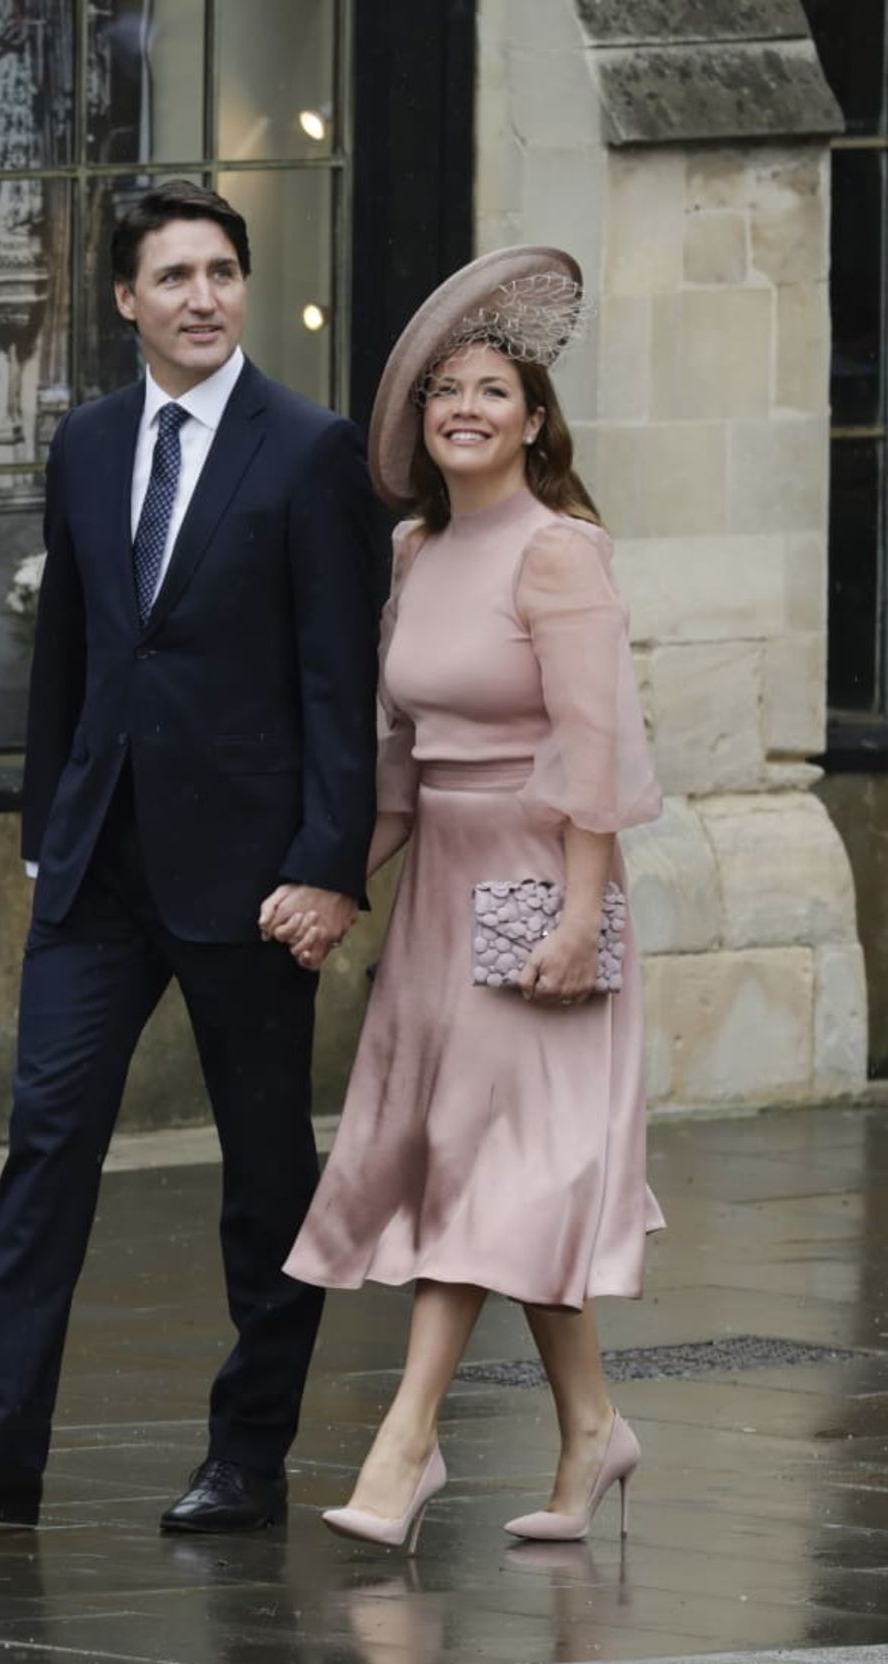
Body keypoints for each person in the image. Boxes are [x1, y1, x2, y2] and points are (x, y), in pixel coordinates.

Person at [0, 180, 385, 1534]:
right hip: (97, 872)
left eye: (222, 271)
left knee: (264, 1169)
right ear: (125, 300)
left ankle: (248, 1459)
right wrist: (45, 834)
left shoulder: (310, 449)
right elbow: (73, 658)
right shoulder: (89, 444)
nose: (203, 297)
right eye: (173, 277)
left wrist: (330, 864)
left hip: (254, 879)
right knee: (44, 1147)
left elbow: (342, 679)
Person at [275, 245, 665, 1550]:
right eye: (444, 388)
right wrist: (337, 885)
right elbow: (395, 757)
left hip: (539, 887)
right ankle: (593, 1429)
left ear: (534, 420)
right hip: (440, 889)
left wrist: (575, 915)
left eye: (491, 388)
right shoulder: (411, 548)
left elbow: (595, 750)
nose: (464, 406)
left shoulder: (561, 554)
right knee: (487, 1166)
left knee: (485, 1176)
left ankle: (406, 1447)